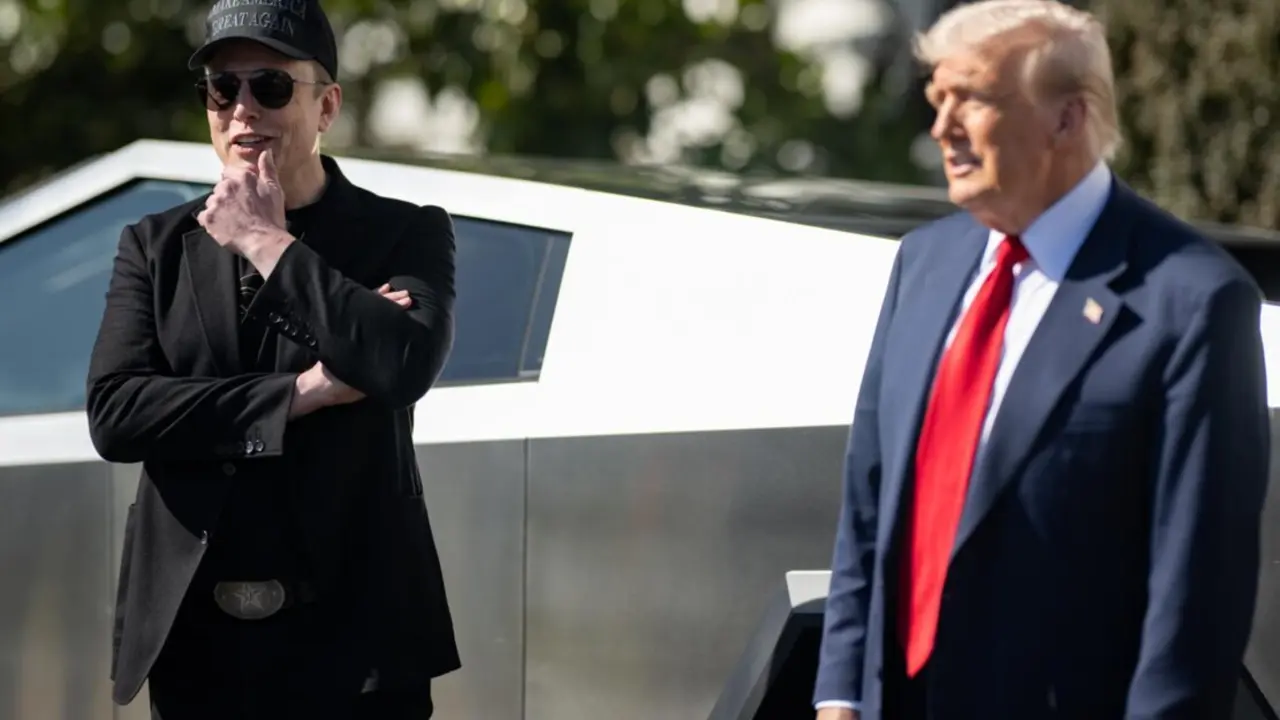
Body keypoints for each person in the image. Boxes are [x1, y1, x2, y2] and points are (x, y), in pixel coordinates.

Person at [812, 1, 1270, 718]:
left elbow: (1195, 606)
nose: (941, 127)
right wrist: (838, 696)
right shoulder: (923, 265)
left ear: (1068, 118)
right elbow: (869, 509)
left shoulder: (1192, 304)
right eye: (938, 99)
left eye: (974, 100)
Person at [85, 0, 461, 717]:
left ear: (326, 106)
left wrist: (266, 241)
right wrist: (299, 395)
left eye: (271, 86)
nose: (242, 109)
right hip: (198, 640)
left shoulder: (403, 234)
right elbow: (116, 412)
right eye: (222, 90)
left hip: (358, 647)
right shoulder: (155, 245)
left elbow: (400, 365)